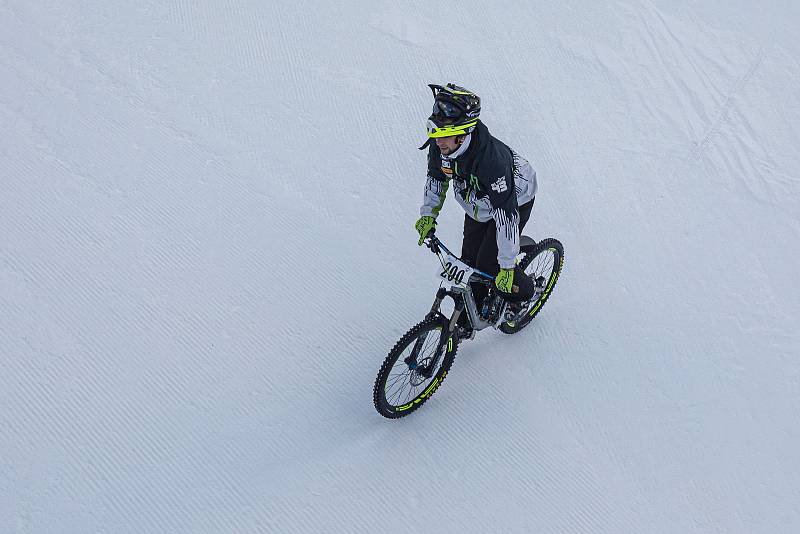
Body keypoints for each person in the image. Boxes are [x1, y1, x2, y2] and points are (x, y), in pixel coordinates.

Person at [415, 83, 538, 335]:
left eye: (444, 136)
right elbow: (436, 179)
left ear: (462, 134)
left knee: (489, 265)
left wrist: (505, 266)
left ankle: (527, 292)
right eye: (436, 135)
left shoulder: (490, 161)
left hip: (514, 200)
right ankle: (471, 317)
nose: (438, 143)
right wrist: (428, 215)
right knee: (469, 263)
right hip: (478, 207)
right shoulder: (442, 145)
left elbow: (506, 217)